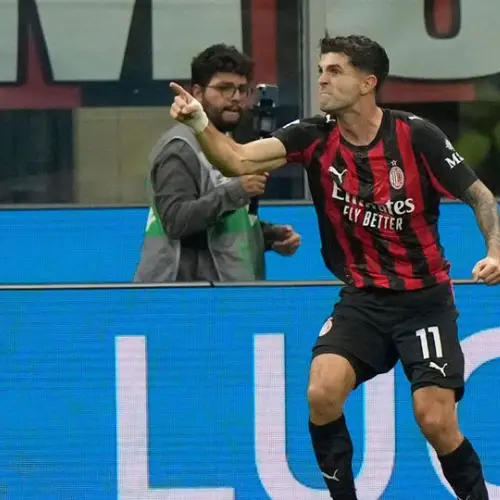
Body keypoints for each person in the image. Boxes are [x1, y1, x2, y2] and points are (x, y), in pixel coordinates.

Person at [168, 34, 500, 499]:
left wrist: (495, 251)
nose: (322, 79)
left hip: (424, 301)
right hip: (362, 299)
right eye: (321, 69)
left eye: (335, 71)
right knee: (321, 393)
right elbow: (237, 158)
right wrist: (200, 121)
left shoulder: (416, 135)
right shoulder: (312, 135)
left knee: (435, 420)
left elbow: (480, 196)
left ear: (368, 83)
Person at [134, 44, 300, 283]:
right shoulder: (180, 148)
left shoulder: (227, 143)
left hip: (223, 292)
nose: (235, 97)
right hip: (182, 294)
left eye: (242, 89)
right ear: (197, 92)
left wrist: (267, 236)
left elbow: (221, 224)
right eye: (224, 88)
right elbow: (176, 222)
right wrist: (237, 191)